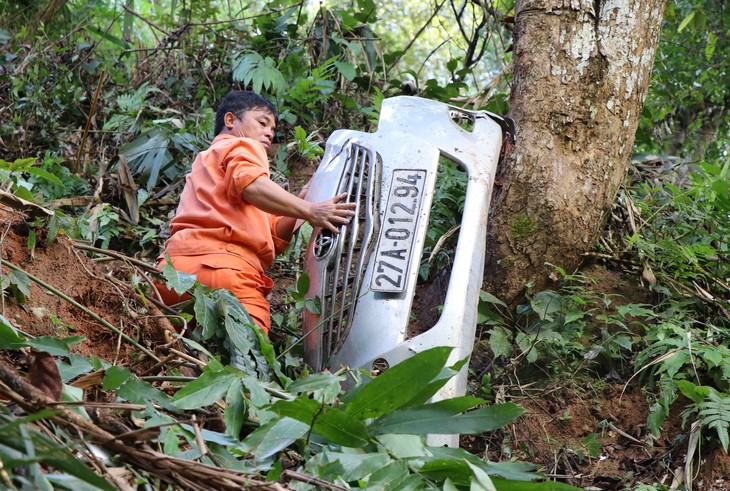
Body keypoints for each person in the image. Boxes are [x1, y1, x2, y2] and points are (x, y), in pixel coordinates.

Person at [157, 90, 355, 333]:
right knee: (250, 356)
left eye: (273, 128)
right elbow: (248, 183)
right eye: (262, 123)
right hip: (225, 273)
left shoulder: (206, 162)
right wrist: (310, 210)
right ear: (231, 121)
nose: (269, 132)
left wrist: (302, 202)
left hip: (171, 276)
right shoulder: (242, 145)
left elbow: (272, 234)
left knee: (176, 355)